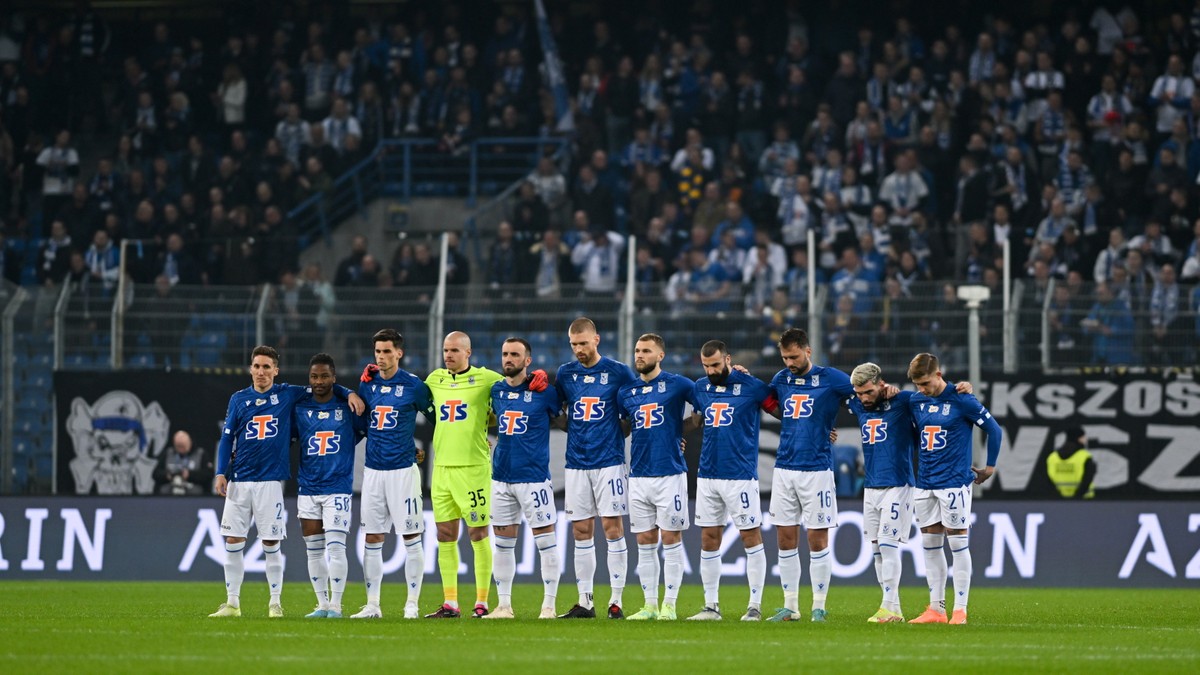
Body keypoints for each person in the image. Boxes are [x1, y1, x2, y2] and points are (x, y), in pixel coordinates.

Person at [209, 345, 363, 619]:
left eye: (267, 367)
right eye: (256, 366)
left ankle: (275, 604)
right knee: (233, 541)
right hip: (239, 480)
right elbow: (226, 439)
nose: (261, 372)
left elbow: (326, 388)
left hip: (270, 482)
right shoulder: (238, 399)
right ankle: (232, 603)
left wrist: (349, 391)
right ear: (250, 369)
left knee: (271, 544)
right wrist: (221, 472)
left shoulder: (287, 393)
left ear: (276, 371)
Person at [422, 331, 544, 618]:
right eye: (445, 350)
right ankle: (450, 602)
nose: (448, 355)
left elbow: (515, 385)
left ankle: (482, 601)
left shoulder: (487, 378)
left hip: (474, 469)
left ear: (468, 352)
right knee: (445, 534)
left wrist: (537, 376)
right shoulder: (434, 379)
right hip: (442, 469)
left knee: (478, 533)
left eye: (454, 350)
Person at [763, 327, 854, 623]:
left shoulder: (833, 378)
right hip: (784, 469)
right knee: (785, 538)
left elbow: (865, 394)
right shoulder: (781, 379)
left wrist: (887, 391)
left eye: (794, 356)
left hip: (817, 470)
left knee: (817, 539)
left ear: (808, 350)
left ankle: (819, 606)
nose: (789, 362)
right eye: (785, 357)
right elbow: (777, 407)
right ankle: (791, 606)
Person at [907, 353, 1002, 625]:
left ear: (939, 374)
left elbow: (994, 430)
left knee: (958, 545)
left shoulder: (962, 399)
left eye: (925, 383)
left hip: (954, 483)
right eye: (917, 384)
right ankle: (936, 609)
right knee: (930, 545)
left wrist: (990, 467)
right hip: (924, 482)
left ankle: (960, 609)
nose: (921, 389)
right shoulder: (916, 400)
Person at [554, 317, 638, 619]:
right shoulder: (565, 374)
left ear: (597, 340)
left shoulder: (618, 372)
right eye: (574, 344)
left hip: (610, 463)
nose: (578, 350)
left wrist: (616, 432)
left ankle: (616, 601)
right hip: (576, 463)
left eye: (583, 343)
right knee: (581, 530)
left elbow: (635, 409)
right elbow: (555, 411)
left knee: (612, 527)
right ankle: (585, 601)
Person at [686, 340, 773, 622]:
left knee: (751, 537)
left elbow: (785, 411)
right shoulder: (700, 387)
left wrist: (824, 430)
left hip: (740, 476)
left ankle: (755, 606)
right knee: (709, 539)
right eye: (706, 365)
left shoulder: (752, 386)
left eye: (715, 364)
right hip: (708, 475)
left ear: (728, 359)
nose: (711, 370)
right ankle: (711, 607)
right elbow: (695, 420)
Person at [616, 334, 700, 621]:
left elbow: (704, 405)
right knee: (645, 540)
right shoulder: (626, 392)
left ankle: (670, 606)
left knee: (671, 538)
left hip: (670, 474)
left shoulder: (678, 384)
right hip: (638, 475)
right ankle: (649, 605)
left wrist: (680, 432)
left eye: (646, 351)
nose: (640, 355)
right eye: (637, 350)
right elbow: (625, 427)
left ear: (660, 355)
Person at [355, 329, 436, 619]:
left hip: (403, 471)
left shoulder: (414, 385)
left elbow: (437, 418)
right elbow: (360, 423)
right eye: (377, 351)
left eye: (387, 351)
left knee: (411, 537)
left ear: (399, 353)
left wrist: (423, 447)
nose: (381, 356)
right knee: (373, 539)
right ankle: (372, 605)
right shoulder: (367, 384)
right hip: (374, 472)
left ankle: (411, 605)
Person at [485, 337, 561, 619]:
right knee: (503, 543)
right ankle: (504, 605)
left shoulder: (545, 391)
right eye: (505, 354)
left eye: (515, 354)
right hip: (501, 477)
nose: (508, 359)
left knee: (545, 541)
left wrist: (545, 379)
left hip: (534, 478)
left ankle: (549, 606)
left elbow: (565, 416)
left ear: (528, 360)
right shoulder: (495, 390)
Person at [294, 353, 365, 619]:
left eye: (325, 376)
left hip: (337, 487)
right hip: (308, 488)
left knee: (335, 548)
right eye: (314, 376)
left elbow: (369, 430)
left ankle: (336, 605)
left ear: (334, 378)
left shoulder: (348, 407)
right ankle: (321, 604)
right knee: (313, 550)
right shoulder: (299, 408)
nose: (319, 381)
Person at [153, 430, 213, 495]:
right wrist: (168, 475)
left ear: (189, 442)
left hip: (195, 497)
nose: (181, 449)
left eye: (183, 446)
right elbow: (155, 474)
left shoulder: (201, 454)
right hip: (168, 496)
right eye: (178, 446)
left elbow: (209, 474)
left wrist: (189, 475)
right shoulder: (168, 453)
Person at [1046, 425, 1096, 499]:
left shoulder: (1052, 457)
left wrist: (1057, 496)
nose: (1086, 439)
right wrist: (1077, 497)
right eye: (1083, 436)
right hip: (1084, 501)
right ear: (1079, 439)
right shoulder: (1084, 456)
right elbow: (1087, 480)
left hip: (1059, 500)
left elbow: (1048, 481)